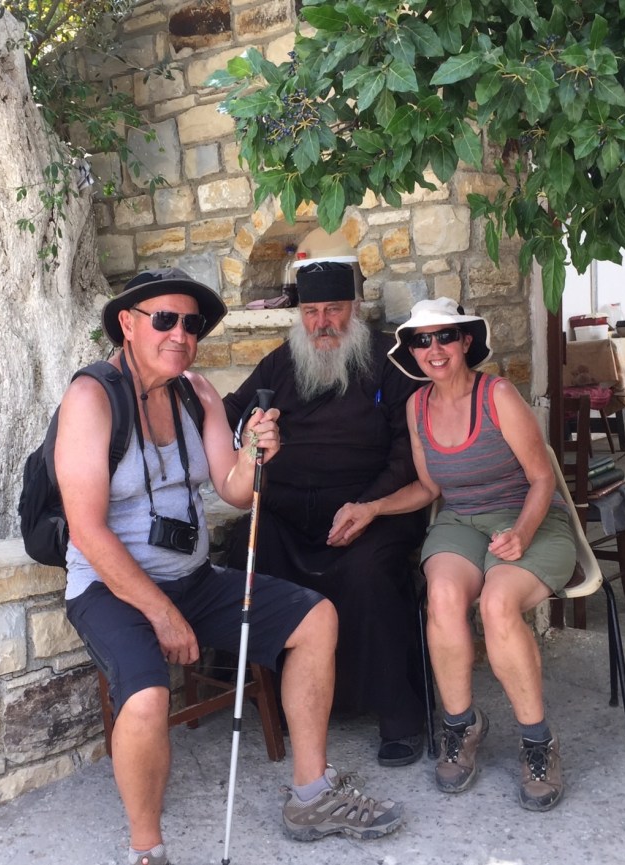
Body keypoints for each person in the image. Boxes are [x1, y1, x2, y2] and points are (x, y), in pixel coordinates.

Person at [55, 267, 404, 865]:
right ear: (128, 325)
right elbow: (87, 530)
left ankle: (312, 793)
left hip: (191, 579)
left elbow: (235, 490)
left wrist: (254, 455)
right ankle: (148, 849)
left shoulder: (199, 394)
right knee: (145, 697)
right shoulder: (91, 397)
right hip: (110, 589)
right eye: (164, 319)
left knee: (315, 618)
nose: (180, 334)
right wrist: (162, 614)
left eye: (191, 324)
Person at [329, 297, 575, 812]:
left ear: (466, 342)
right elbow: (427, 487)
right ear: (412, 350)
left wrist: (523, 534)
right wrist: (373, 508)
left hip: (528, 518)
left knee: (498, 605)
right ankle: (461, 727)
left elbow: (542, 477)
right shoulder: (416, 407)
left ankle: (538, 742)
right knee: (441, 596)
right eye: (422, 340)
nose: (434, 349)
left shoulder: (498, 395)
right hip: (461, 521)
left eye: (445, 337)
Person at [223, 260, 427, 767]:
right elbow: (232, 414)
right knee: (249, 550)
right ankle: (278, 701)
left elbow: (407, 452)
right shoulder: (280, 363)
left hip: (371, 509)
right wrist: (245, 441)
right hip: (290, 511)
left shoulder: (389, 361)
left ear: (354, 309)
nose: (322, 322)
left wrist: (368, 507)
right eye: (311, 311)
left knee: (369, 573)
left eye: (333, 309)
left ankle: (398, 717)